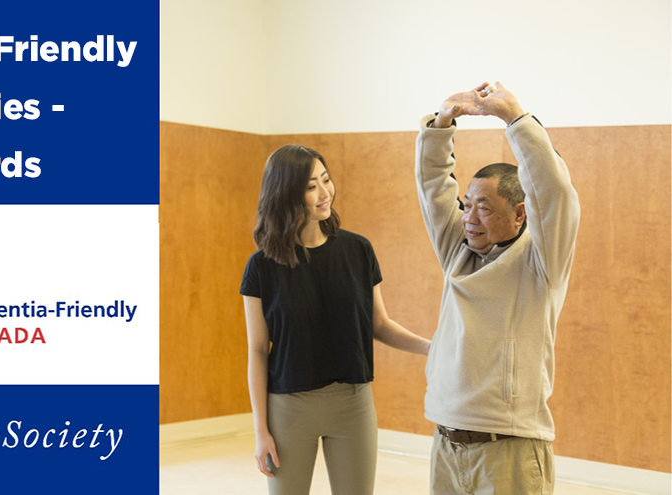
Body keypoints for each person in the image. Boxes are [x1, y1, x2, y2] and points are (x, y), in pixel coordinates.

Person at [415, 82, 580, 495]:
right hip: (446, 443)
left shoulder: (541, 263)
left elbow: (555, 193)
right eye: (467, 204)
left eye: (484, 207)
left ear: (519, 214)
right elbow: (435, 187)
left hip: (508, 448)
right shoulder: (459, 251)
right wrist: (441, 124)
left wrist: (515, 119)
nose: (468, 217)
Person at [240, 144, 431, 495]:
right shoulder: (262, 266)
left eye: (326, 180)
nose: (324, 192)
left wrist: (432, 348)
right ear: (285, 194)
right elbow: (257, 351)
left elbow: (379, 324)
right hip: (288, 407)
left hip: (352, 404)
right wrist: (260, 430)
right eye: (311, 186)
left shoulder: (358, 251)